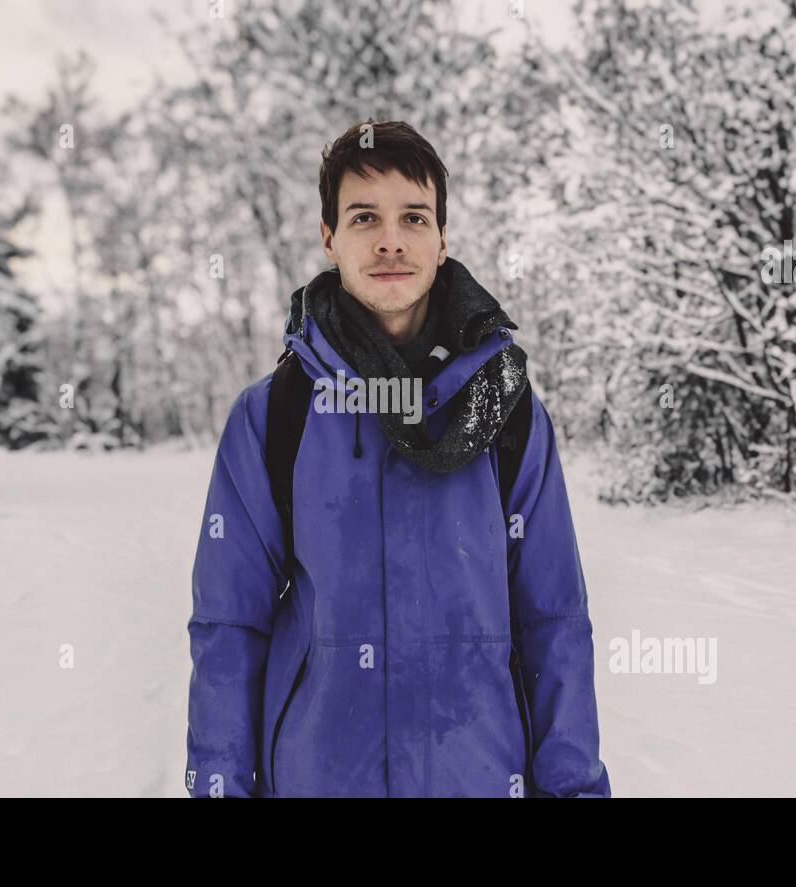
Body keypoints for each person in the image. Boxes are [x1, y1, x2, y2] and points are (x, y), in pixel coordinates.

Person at [184, 119, 611, 798]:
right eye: (364, 217)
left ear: (443, 239)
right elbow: (229, 627)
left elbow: (553, 619)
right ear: (329, 237)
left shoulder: (508, 408)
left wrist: (575, 788)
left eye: (414, 216)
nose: (390, 239)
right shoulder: (272, 416)